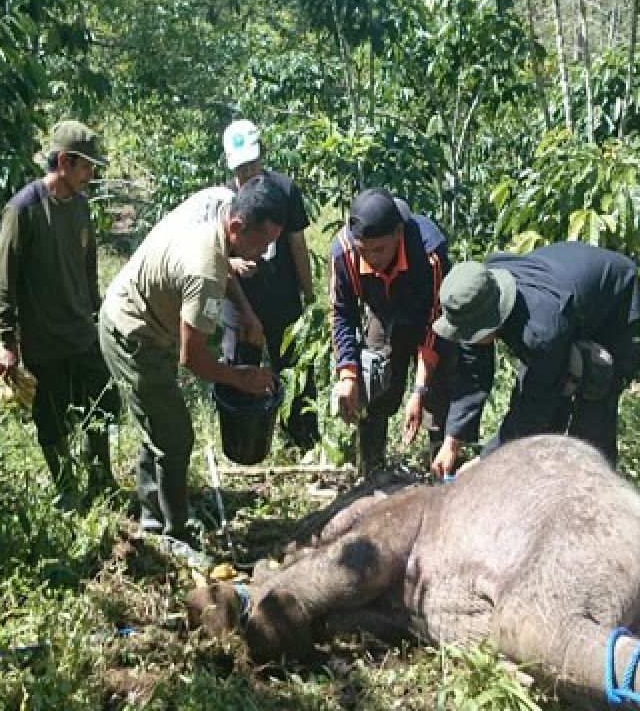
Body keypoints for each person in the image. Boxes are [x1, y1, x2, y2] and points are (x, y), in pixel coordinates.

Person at [98, 176, 283, 565]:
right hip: (132, 332)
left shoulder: (219, 215)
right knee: (176, 436)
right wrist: (242, 379)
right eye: (261, 243)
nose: (265, 254)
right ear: (237, 226)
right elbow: (192, 359)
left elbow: (224, 270)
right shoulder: (203, 272)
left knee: (159, 424)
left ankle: (155, 513)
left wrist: (246, 311)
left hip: (147, 321)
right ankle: (172, 532)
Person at [428, 241, 640, 475]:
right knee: (545, 405)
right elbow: (473, 372)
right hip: (565, 294)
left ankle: (593, 484)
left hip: (614, 299)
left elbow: (534, 406)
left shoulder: (540, 332)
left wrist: (486, 461)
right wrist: (452, 441)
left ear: (493, 318)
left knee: (591, 394)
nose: (466, 337)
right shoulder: (477, 294)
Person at [0, 121, 120, 496]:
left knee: (100, 404)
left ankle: (101, 480)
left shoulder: (79, 207)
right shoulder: (24, 210)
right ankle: (67, 489)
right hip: (44, 338)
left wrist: (99, 317)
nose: (90, 176)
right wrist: (6, 341)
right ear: (63, 162)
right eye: (86, 167)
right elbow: (5, 280)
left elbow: (88, 270)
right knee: (51, 417)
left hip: (82, 332)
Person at [329, 187, 451, 476]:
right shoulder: (344, 253)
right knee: (374, 383)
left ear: (398, 233)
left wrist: (419, 388)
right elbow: (341, 313)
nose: (371, 258)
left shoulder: (429, 251)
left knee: (437, 395)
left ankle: (442, 470)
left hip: (427, 318)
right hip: (381, 314)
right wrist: (348, 375)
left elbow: (438, 316)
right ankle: (372, 470)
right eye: (364, 251)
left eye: (379, 250)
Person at [219, 119, 318, 449]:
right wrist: (232, 263)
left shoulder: (285, 190)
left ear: (263, 154)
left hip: (282, 299)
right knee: (239, 371)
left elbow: (297, 245)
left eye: (252, 164)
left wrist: (308, 295)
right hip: (238, 304)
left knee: (293, 371)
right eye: (240, 168)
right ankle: (245, 441)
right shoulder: (224, 198)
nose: (246, 173)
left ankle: (301, 438)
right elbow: (213, 252)